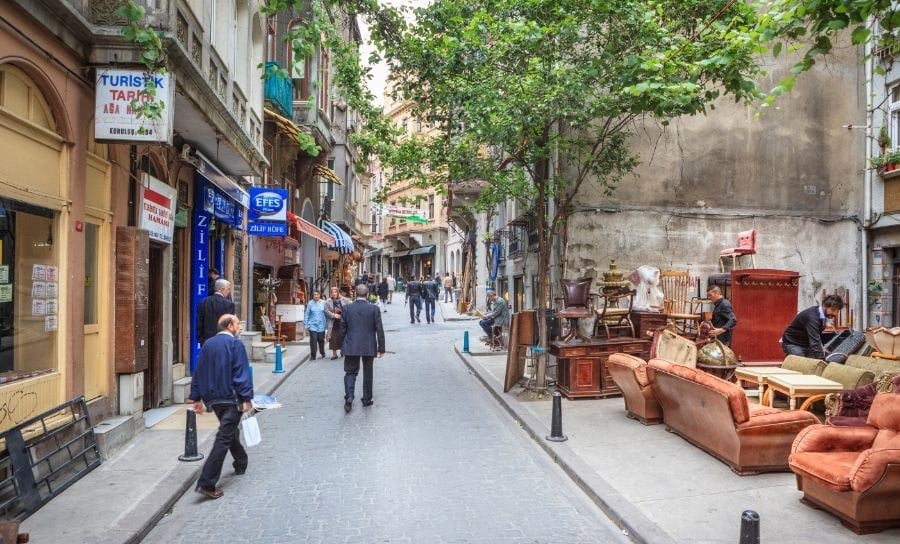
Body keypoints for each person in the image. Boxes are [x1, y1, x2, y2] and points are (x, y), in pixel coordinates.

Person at [188, 314, 253, 500]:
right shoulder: (235, 345)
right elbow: (241, 372)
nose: (239, 327)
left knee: (229, 431)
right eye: (237, 323)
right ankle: (206, 482)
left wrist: (197, 397)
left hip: (214, 399)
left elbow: (198, 371)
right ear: (230, 326)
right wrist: (246, 397)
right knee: (223, 438)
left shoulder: (208, 344)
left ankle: (241, 462)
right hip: (231, 398)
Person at [340, 284, 385, 413]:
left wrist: (343, 345)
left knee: (350, 372)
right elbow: (379, 330)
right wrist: (381, 348)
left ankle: (349, 396)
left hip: (351, 344)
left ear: (355, 294)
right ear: (367, 295)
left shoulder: (347, 309)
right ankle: (367, 399)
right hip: (368, 344)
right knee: (368, 372)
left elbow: (342, 329)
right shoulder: (374, 309)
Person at [781, 294, 845, 359]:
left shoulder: (822, 314)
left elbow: (817, 337)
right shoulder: (812, 317)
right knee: (801, 365)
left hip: (806, 344)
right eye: (833, 310)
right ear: (824, 306)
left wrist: (823, 350)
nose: (835, 314)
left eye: (837, 311)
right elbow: (815, 342)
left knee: (821, 358)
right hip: (793, 343)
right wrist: (822, 361)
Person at [197, 278, 235, 346]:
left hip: (206, 341)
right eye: (228, 289)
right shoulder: (229, 305)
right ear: (222, 289)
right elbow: (230, 325)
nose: (229, 292)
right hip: (223, 342)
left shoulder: (203, 302)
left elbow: (199, 323)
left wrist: (201, 339)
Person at [325, 286, 350, 360]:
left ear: (338, 292)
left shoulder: (344, 299)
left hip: (342, 321)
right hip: (333, 322)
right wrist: (333, 315)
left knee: (343, 336)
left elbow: (349, 308)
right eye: (332, 292)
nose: (334, 293)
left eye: (335, 292)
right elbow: (326, 310)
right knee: (333, 338)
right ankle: (334, 354)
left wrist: (342, 314)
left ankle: (343, 351)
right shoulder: (328, 301)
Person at [304, 290, 327, 360]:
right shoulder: (310, 303)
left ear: (319, 295)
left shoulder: (323, 303)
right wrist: (306, 324)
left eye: (317, 294)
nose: (316, 296)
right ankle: (313, 356)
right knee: (313, 340)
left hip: (321, 325)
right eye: (314, 295)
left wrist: (327, 325)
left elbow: (326, 314)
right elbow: (307, 314)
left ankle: (322, 352)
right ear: (313, 296)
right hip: (312, 325)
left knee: (321, 340)